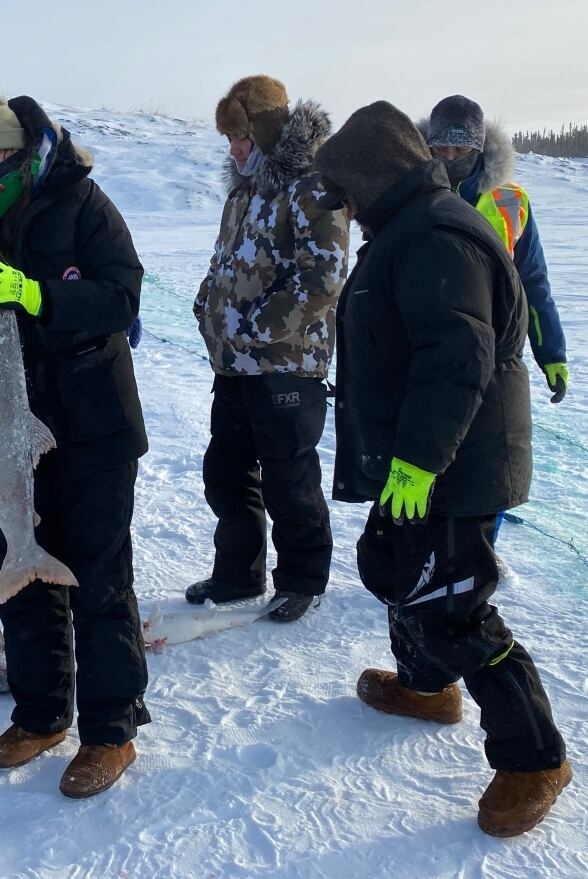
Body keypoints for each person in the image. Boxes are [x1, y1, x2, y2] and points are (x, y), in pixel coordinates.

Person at [316, 100, 570, 838]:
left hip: (455, 461)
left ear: (376, 176)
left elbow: (457, 360)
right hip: (422, 458)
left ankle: (535, 756)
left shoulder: (435, 235)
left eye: (351, 193)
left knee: (452, 600)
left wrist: (420, 463)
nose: (350, 210)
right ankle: (429, 686)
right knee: (393, 564)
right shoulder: (410, 226)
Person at [0, 82, 149, 798]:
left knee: (100, 579)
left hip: (91, 425)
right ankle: (42, 713)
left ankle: (110, 730)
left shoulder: (79, 203)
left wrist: (36, 293)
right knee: (17, 574)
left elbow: (122, 297)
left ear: (11, 154)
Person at [188, 76, 349, 622]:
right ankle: (238, 574)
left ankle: (303, 579)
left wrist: (258, 326)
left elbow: (322, 276)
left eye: (241, 138)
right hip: (234, 363)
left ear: (268, 130)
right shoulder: (243, 193)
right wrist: (207, 300)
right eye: (229, 140)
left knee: (289, 475)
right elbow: (225, 261)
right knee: (226, 472)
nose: (233, 150)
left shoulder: (312, 188)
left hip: (286, 364)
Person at [425, 96, 569, 405]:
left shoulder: (512, 200)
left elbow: (532, 281)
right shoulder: (411, 192)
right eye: (441, 148)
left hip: (497, 352)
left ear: (478, 148)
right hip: (427, 349)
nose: (450, 157)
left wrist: (552, 352)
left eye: (461, 149)